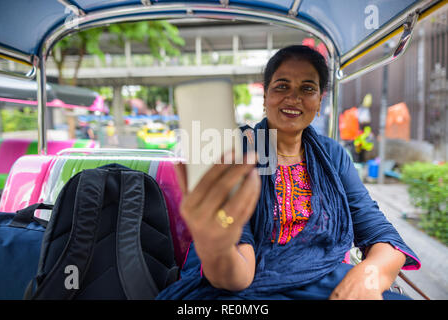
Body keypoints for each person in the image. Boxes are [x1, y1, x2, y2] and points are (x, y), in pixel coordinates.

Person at [156, 45, 420, 300]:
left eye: (307, 88)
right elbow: (238, 276)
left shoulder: (332, 155)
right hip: (246, 288)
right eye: (282, 86)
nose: (293, 98)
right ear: (266, 98)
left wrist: (368, 275)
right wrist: (217, 246)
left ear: (319, 102)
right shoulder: (237, 152)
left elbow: (380, 234)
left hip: (325, 280)